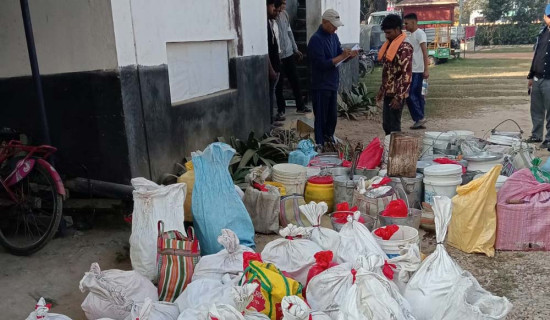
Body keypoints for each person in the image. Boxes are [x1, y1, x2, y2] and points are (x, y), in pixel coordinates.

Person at [307, 9, 357, 146]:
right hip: (320, 84)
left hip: (332, 83)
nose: (335, 28)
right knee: (321, 118)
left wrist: (348, 56)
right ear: (324, 22)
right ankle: (320, 143)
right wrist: (341, 56)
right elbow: (321, 64)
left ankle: (329, 138)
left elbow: (339, 55)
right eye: (333, 25)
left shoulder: (333, 37)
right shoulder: (315, 40)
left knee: (332, 117)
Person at [376, 14, 413, 135]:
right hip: (388, 92)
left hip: (397, 94)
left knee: (394, 127)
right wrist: (382, 90)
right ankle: (389, 150)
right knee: (386, 125)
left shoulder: (404, 47)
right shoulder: (389, 45)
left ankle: (395, 152)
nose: (387, 36)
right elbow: (387, 71)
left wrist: (399, 96)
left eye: (389, 32)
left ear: (398, 29)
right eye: (385, 33)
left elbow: (406, 74)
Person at [275, 0, 312, 116]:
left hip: (289, 53)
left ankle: (300, 106)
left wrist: (295, 49)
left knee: (295, 80)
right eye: (283, 3)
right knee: (279, 85)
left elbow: (289, 32)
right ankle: (281, 110)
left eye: (285, 4)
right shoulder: (271, 17)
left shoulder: (284, 14)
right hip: (278, 55)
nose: (285, 6)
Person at [527, 4, 550, 149]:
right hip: (537, 77)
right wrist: (530, 76)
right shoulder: (542, 33)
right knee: (536, 109)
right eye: (549, 16)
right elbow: (536, 56)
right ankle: (536, 135)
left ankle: (549, 139)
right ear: (545, 16)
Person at [403, 13, 429, 130]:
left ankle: (419, 117)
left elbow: (425, 52)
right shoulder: (410, 35)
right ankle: (420, 119)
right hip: (412, 69)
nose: (405, 26)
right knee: (418, 95)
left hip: (417, 70)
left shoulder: (420, 34)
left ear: (413, 22)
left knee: (410, 95)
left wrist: (426, 69)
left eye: (407, 23)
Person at [267, 0, 285, 127]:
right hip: (271, 67)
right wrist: (271, 69)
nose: (275, 10)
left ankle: (271, 118)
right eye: (273, 7)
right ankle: (269, 120)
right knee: (270, 94)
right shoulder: (265, 25)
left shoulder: (272, 23)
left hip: (276, 64)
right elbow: (265, 49)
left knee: (272, 93)